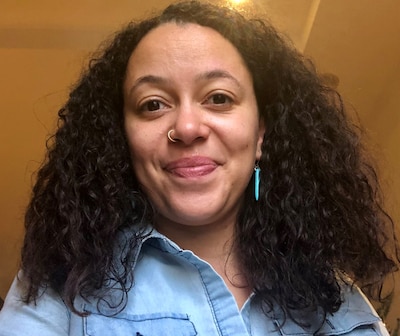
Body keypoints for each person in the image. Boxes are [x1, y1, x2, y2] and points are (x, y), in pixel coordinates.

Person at [0, 1, 398, 335]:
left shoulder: (334, 296)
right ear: (121, 139)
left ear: (260, 135)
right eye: (153, 104)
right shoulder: (60, 283)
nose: (187, 128)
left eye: (219, 98)